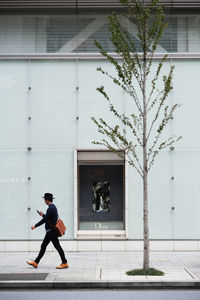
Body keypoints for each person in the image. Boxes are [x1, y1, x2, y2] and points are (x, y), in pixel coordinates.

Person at [26, 193, 68, 269]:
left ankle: (64, 262)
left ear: (47, 200)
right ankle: (36, 262)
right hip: (50, 232)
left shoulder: (50, 208)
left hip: (51, 232)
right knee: (44, 246)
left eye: (44, 199)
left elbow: (44, 220)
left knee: (57, 247)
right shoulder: (52, 207)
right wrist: (42, 214)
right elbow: (49, 218)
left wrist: (35, 226)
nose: (44, 201)